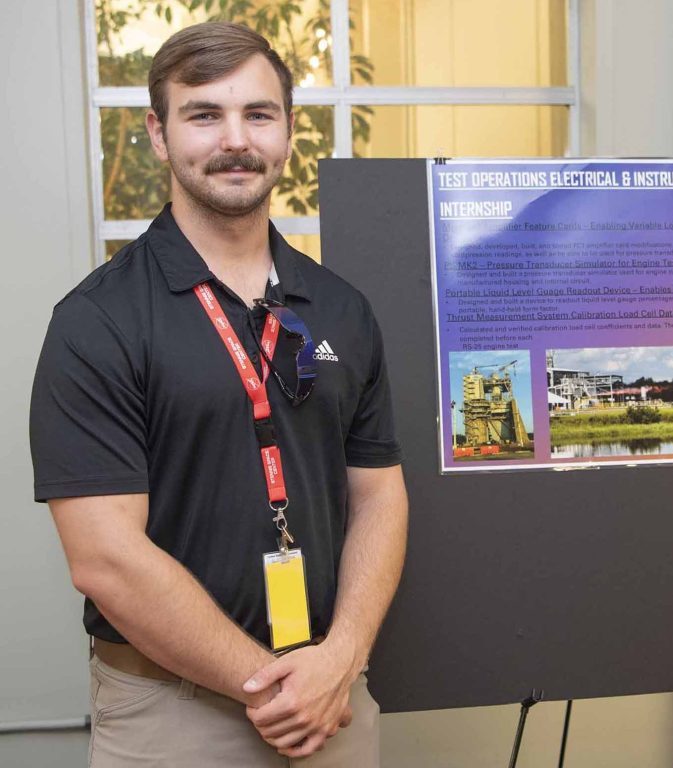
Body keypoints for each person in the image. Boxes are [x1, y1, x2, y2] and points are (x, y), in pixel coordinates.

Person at [29, 21, 407, 767]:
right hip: (175, 713)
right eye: (204, 115)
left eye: (258, 114)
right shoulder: (98, 321)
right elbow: (105, 558)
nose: (235, 139)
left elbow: (378, 498)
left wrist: (342, 659)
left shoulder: (340, 309)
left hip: (333, 700)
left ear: (289, 131)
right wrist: (270, 688)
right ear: (159, 134)